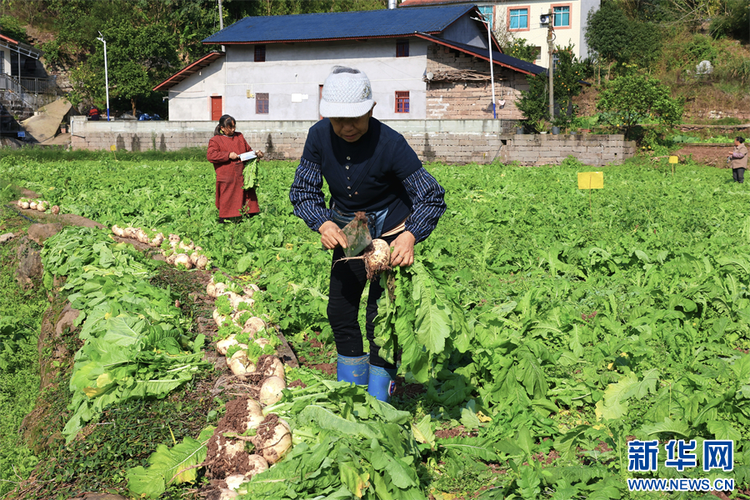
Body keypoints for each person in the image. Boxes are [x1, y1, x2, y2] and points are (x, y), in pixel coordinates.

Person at [289, 66, 446, 402]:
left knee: (381, 317)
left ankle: (379, 400)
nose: (346, 127)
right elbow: (303, 189)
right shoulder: (318, 137)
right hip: (351, 231)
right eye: (337, 119)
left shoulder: (391, 143)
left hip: (391, 233)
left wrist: (411, 235)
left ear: (371, 109)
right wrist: (323, 222)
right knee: (340, 310)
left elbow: (430, 194)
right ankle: (351, 393)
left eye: (355, 118)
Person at [207, 115, 264, 223]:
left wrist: (256, 154)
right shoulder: (215, 140)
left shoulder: (239, 136)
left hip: (241, 173)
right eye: (230, 127)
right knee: (227, 197)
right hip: (226, 175)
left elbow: (248, 151)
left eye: (234, 127)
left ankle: (250, 216)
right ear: (222, 128)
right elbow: (211, 155)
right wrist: (228, 155)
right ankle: (224, 220)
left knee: (247, 195)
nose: (233, 130)